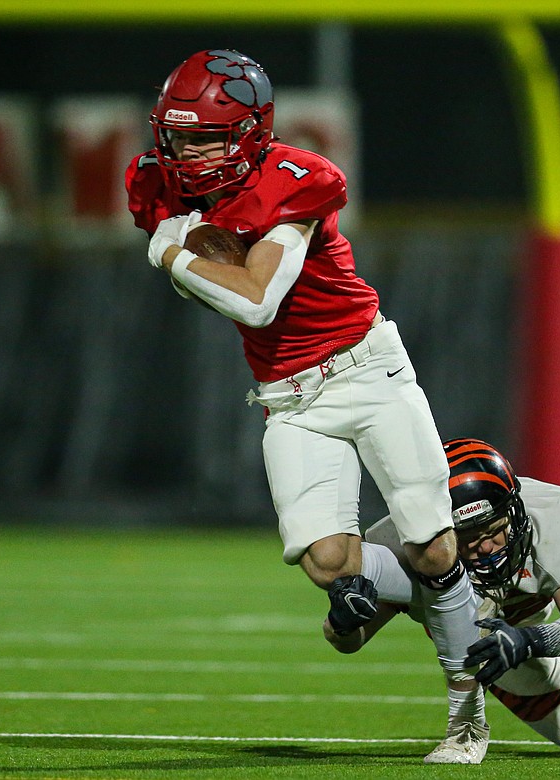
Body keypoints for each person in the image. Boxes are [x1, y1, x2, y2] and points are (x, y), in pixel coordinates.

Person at [126, 49, 477, 681]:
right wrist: (189, 256)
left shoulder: (296, 177)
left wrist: (171, 256)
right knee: (326, 562)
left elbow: (257, 301)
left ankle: (467, 707)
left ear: (247, 133)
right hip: (289, 395)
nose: (184, 155)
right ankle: (434, 592)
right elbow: (218, 279)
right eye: (174, 137)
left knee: (432, 542)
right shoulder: (150, 179)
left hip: (365, 370)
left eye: (202, 141)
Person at [324, 437, 560, 764]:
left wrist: (529, 641)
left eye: (493, 530)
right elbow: (350, 643)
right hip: (479, 650)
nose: (484, 548)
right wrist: (342, 622)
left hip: (525, 635)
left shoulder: (559, 517)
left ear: (514, 511)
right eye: (467, 537)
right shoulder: (405, 545)